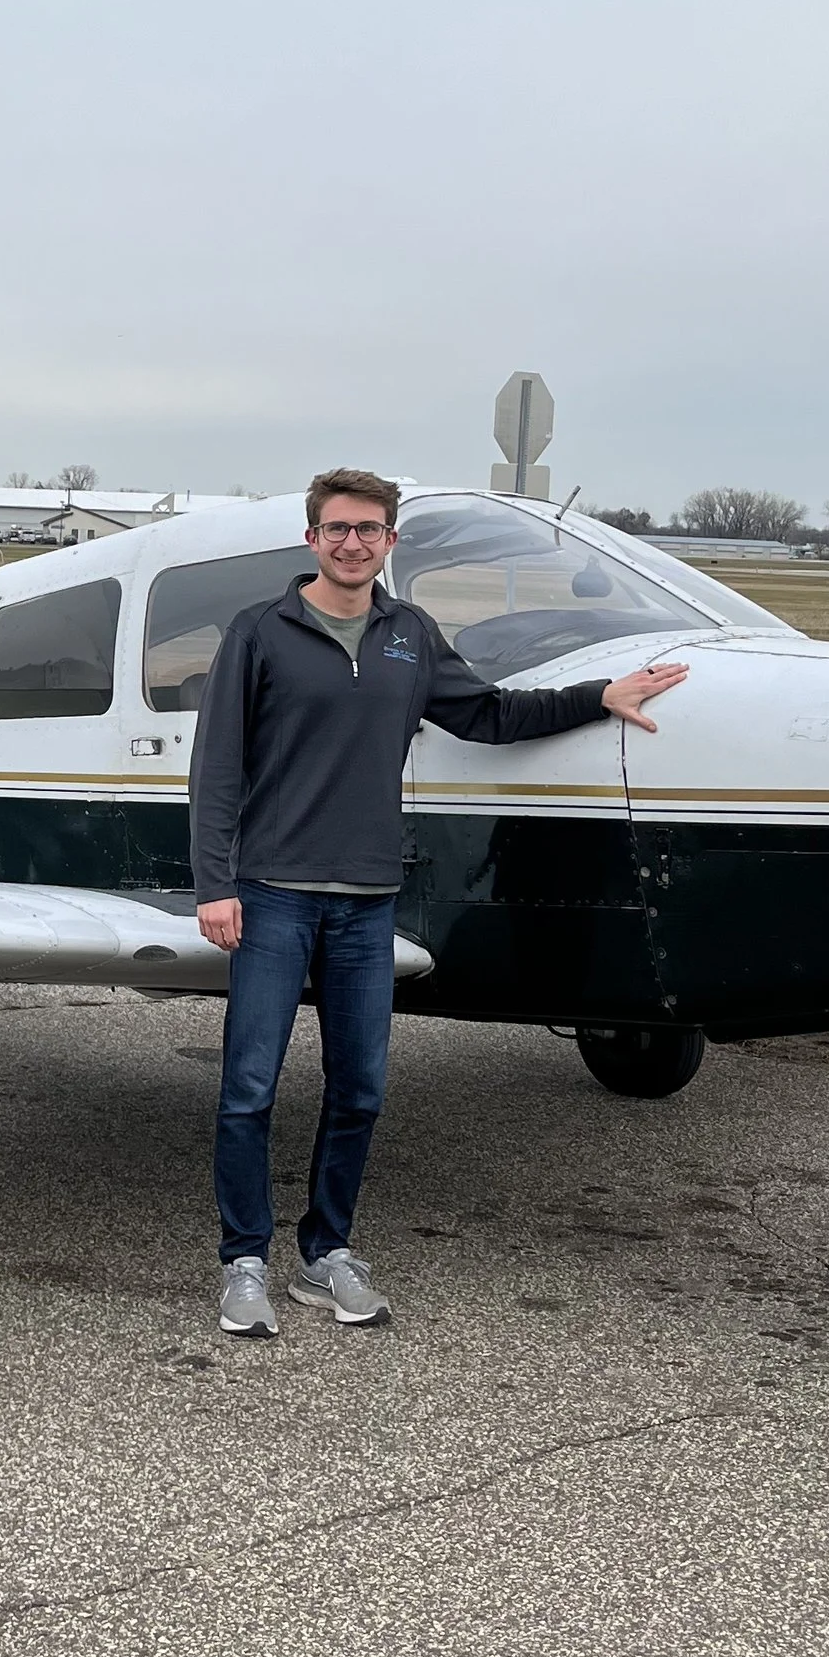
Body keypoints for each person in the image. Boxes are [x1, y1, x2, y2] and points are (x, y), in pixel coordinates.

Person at [190, 471, 687, 1337]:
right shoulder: (261, 632)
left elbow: (488, 714)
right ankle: (243, 1262)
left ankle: (326, 1253)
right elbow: (217, 767)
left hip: (366, 901)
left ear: (389, 543)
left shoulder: (409, 635)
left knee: (361, 1089)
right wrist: (216, 886)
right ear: (313, 539)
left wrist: (598, 697)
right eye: (337, 529)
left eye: (370, 530)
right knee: (248, 1088)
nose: (353, 543)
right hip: (272, 895)